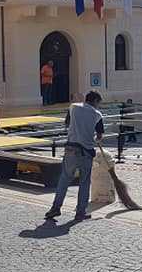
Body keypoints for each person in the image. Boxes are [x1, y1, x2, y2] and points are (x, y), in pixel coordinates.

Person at [45, 91, 104, 222]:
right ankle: (80, 212)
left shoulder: (74, 107)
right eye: (98, 103)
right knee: (84, 182)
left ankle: (55, 208)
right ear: (95, 101)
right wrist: (94, 138)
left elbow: (67, 123)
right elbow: (99, 136)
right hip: (86, 152)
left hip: (71, 149)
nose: (98, 106)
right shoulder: (97, 115)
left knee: (64, 179)